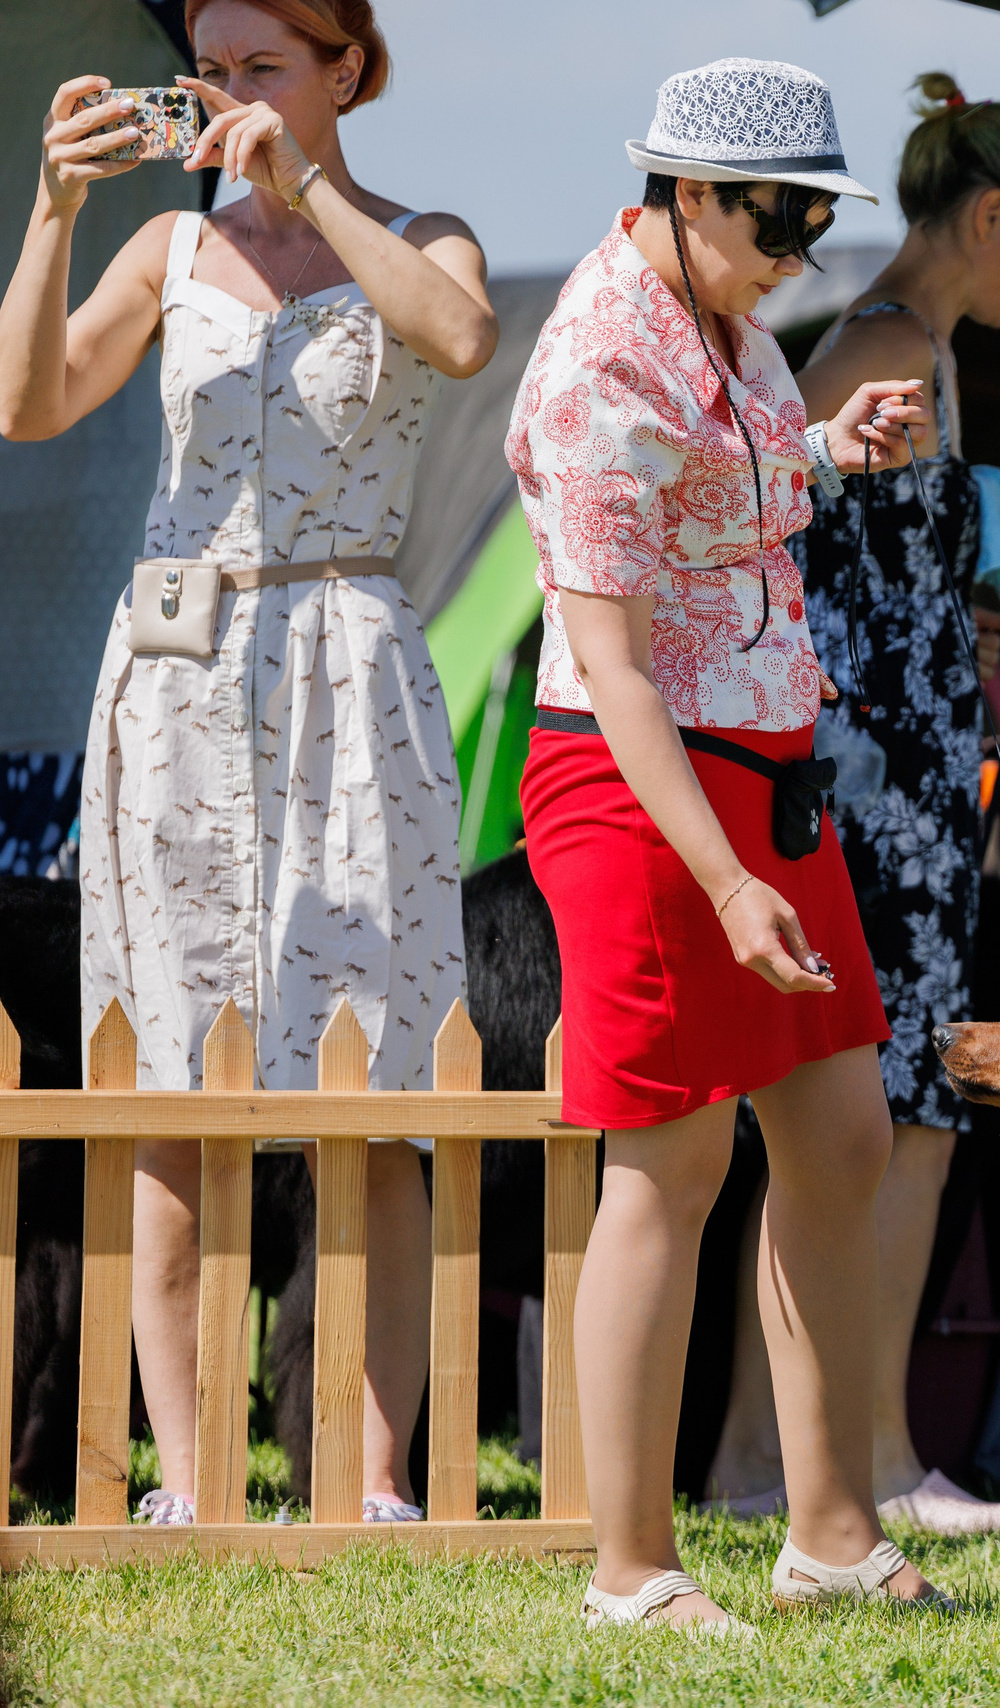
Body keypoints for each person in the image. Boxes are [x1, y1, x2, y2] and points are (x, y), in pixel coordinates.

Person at [0, 0, 498, 1524]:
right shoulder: (168, 248)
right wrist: (55, 206)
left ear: (345, 70)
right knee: (168, 1075)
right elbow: (25, 404)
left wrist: (309, 189)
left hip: (351, 667)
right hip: (177, 675)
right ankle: (194, 1482)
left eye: (260, 66)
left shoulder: (423, 235)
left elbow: (462, 338)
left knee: (379, 1083)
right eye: (210, 70)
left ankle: (376, 1480)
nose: (226, 94)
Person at [506, 57, 942, 1628]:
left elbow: (718, 498)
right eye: (778, 220)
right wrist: (727, 878)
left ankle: (829, 1537)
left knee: (841, 1136)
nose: (799, 255)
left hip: (764, 770)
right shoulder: (593, 367)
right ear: (688, 191)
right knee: (672, 1160)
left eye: (819, 223)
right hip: (638, 791)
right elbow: (614, 668)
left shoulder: (731, 320)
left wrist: (826, 448)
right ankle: (630, 1572)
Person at [777, 70, 1000, 1538]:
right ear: (988, 216)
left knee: (870, 1113)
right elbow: (765, 520)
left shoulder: (914, 346)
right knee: (897, 1111)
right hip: (872, 780)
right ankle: (878, 1457)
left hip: (891, 765)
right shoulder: (891, 343)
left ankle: (788, 1452)